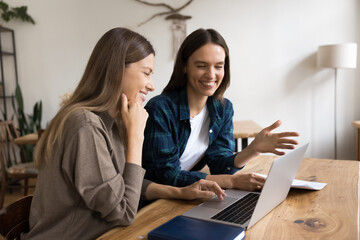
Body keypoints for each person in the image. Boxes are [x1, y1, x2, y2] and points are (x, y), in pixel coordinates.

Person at [24, 27, 225, 240]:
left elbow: (121, 185)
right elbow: (124, 211)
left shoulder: (108, 122)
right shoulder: (86, 126)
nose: (151, 85)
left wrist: (180, 192)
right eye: (146, 73)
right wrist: (136, 136)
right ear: (116, 70)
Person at [142, 28, 299, 191]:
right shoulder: (160, 109)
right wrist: (231, 182)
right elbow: (165, 176)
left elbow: (219, 165)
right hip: (156, 202)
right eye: (201, 66)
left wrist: (253, 149)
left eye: (218, 66)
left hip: (189, 194)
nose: (211, 75)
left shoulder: (223, 108)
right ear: (185, 66)